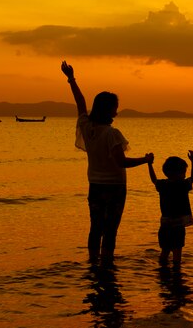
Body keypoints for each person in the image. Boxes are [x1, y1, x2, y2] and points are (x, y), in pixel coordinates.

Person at [61, 61, 152, 265]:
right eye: (115, 108)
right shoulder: (112, 134)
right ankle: (107, 263)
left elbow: (80, 102)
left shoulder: (87, 127)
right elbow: (122, 163)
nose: (116, 112)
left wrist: (71, 79)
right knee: (110, 229)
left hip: (95, 185)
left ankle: (93, 262)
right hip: (115, 188)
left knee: (95, 227)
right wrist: (145, 160)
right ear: (109, 110)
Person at [147, 150, 193, 267]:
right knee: (177, 252)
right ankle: (176, 273)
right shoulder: (182, 185)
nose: (185, 174)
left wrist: (149, 164)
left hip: (164, 224)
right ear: (178, 173)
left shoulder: (163, 185)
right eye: (184, 172)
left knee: (165, 251)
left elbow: (153, 180)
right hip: (178, 224)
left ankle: (162, 272)